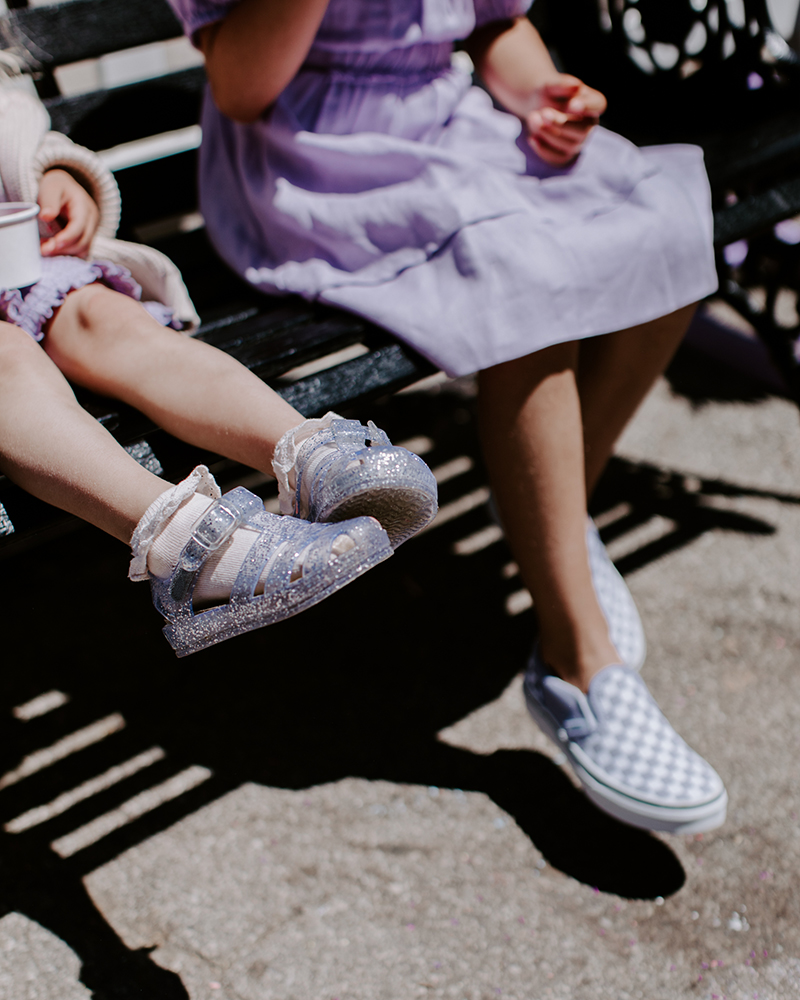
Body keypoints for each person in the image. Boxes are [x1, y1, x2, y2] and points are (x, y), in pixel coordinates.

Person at [165, 0, 728, 832]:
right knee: (521, 277)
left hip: (448, 130)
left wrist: (540, 95)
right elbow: (243, 87)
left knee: (663, 216)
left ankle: (553, 517)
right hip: (313, 162)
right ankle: (577, 664)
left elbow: (497, 25)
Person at [0, 68, 438, 657]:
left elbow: (12, 109)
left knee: (111, 322)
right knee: (7, 361)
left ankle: (308, 453)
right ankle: (186, 549)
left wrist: (54, 173)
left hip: (23, 261)